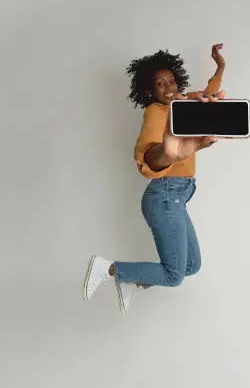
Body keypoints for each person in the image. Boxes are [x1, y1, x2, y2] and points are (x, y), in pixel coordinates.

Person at [83, 43, 227, 314]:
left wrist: (219, 68)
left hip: (179, 195)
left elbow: (210, 95)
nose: (169, 87)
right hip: (164, 194)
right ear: (150, 91)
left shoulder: (184, 105)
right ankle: (110, 269)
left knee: (190, 266)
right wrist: (169, 154)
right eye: (161, 84)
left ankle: (134, 283)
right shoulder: (156, 112)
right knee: (174, 275)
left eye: (171, 81)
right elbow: (147, 157)